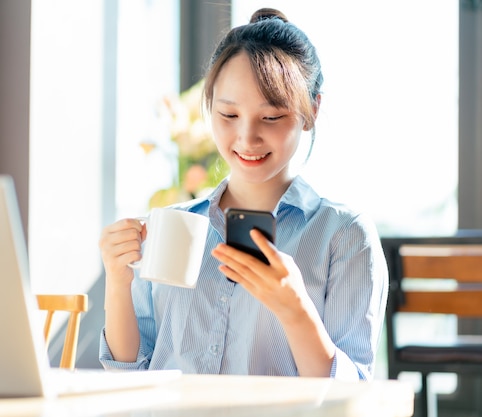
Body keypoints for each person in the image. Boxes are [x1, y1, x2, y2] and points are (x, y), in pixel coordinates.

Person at [98, 7, 388, 381]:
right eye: (229, 115)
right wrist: (118, 282)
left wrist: (295, 309)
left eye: (271, 117)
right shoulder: (176, 225)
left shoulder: (345, 235)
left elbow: (354, 395)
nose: (247, 138)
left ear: (312, 110)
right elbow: (129, 372)